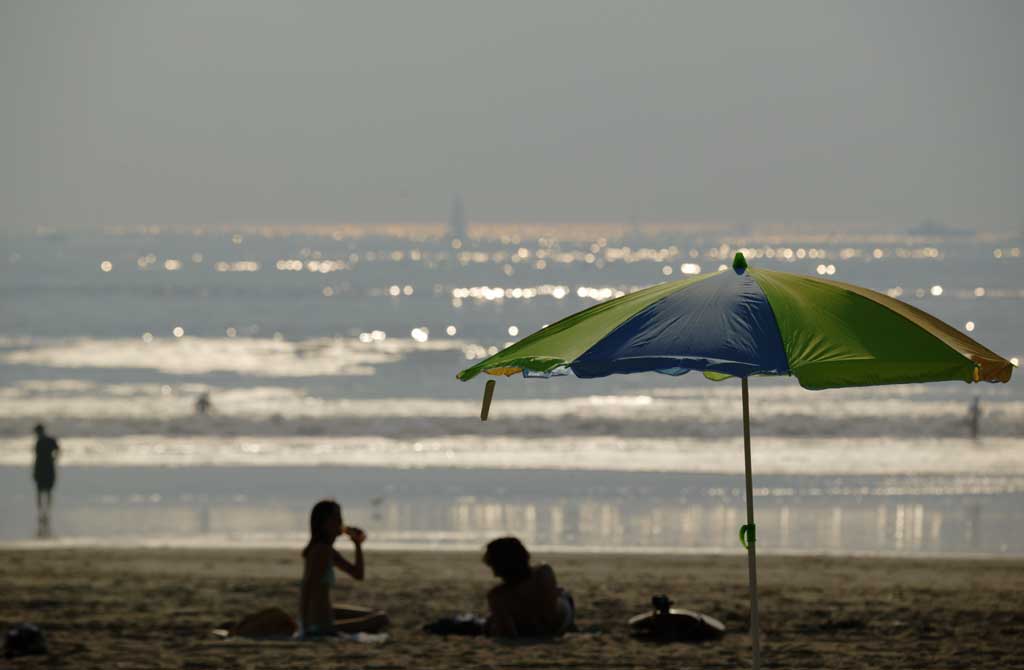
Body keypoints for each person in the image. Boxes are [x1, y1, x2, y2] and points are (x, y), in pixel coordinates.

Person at [298, 500, 389, 637]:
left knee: (372, 614)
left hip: (322, 615)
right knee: (381, 618)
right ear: (324, 523)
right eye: (336, 518)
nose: (341, 522)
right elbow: (308, 586)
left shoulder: (327, 550)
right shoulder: (321, 551)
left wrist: (357, 545)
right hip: (320, 625)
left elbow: (358, 574)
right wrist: (305, 628)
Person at [483, 537, 575, 637]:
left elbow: (508, 633)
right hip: (557, 621)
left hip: (540, 626)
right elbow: (549, 612)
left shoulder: (497, 595)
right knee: (562, 593)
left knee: (489, 622)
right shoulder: (543, 571)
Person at [32, 424, 59, 536]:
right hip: (48, 468)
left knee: (41, 491)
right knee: (47, 491)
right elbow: (58, 450)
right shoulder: (50, 440)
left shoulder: (39, 442)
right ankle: (45, 512)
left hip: (41, 469)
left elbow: (36, 458)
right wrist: (54, 458)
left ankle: (42, 512)